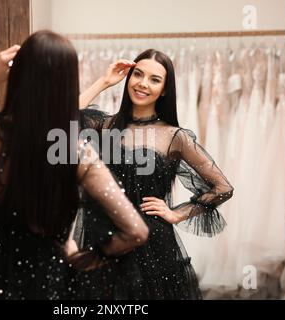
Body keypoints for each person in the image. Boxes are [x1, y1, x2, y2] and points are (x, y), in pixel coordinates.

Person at [0, 30, 148, 300]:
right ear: (67, 86)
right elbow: (136, 232)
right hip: (45, 288)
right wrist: (82, 257)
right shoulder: (74, 154)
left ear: (16, 78)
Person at [77, 49, 234, 299]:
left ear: (164, 90)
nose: (142, 83)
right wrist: (104, 81)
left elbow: (222, 188)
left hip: (152, 245)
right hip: (105, 238)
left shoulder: (175, 137)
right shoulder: (104, 126)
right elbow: (64, 119)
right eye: (137, 74)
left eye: (154, 79)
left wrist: (176, 214)